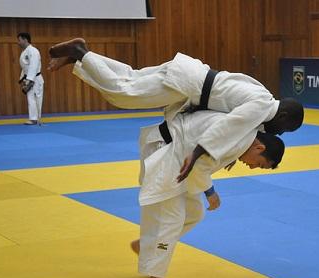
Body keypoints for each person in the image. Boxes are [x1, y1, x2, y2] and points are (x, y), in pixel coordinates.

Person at [47, 38, 303, 179]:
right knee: (125, 95)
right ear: (282, 116)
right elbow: (228, 126)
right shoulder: (262, 107)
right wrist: (198, 153)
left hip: (188, 74)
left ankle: (80, 56)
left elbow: (234, 126)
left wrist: (233, 155)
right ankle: (81, 52)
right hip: (187, 85)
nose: (278, 133)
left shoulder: (263, 94)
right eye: (284, 128)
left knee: (130, 77)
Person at [131, 108, 285, 278]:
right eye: (259, 164)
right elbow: (199, 166)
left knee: (194, 212)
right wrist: (210, 193)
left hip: (175, 153)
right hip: (167, 152)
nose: (252, 166)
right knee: (172, 219)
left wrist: (232, 156)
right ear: (259, 148)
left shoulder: (242, 136)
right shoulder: (237, 140)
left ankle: (146, 247)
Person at [18, 32, 44, 125]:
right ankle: (33, 118)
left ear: (25, 40)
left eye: (19, 40)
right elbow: (25, 67)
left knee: (36, 98)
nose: (18, 42)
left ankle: (37, 119)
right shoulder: (25, 51)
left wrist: (30, 80)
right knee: (31, 98)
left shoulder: (33, 51)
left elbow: (33, 65)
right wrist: (22, 79)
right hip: (29, 78)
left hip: (35, 79)